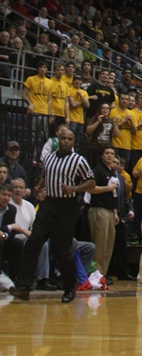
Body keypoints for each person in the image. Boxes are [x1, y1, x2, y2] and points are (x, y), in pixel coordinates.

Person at [10, 129, 95, 303]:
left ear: (73, 142)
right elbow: (44, 175)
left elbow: (91, 182)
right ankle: (23, 287)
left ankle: (70, 286)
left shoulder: (78, 160)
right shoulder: (48, 157)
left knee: (61, 250)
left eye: (69, 139)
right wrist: (39, 185)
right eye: (63, 138)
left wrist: (74, 189)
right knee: (33, 242)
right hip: (48, 203)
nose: (66, 141)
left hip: (67, 206)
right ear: (58, 140)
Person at [88, 145, 119, 281]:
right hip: (98, 210)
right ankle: (95, 274)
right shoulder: (97, 171)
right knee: (99, 244)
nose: (109, 156)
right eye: (107, 153)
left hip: (109, 211)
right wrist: (108, 188)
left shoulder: (112, 172)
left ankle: (103, 274)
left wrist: (115, 212)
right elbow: (91, 189)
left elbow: (113, 194)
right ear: (102, 155)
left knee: (109, 244)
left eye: (112, 153)